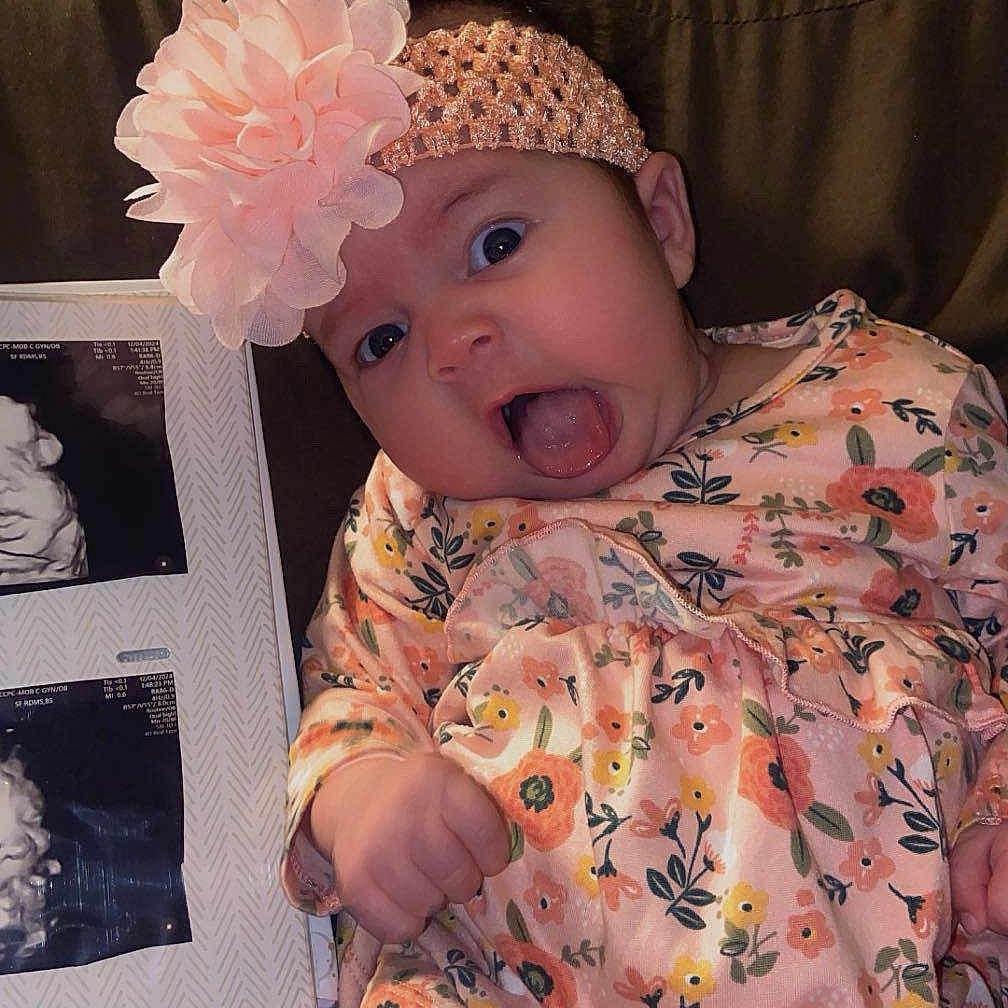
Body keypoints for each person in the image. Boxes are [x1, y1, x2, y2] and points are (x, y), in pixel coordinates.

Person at [116, 1, 1008, 1005]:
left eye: (494, 243)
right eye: (379, 340)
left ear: (661, 224)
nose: (450, 344)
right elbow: (355, 688)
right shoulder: (416, 514)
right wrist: (357, 799)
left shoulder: (898, 403)